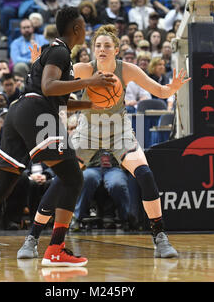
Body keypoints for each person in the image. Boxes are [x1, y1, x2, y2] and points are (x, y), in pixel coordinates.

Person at [0, 7, 115, 267]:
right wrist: (90, 82)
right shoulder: (59, 51)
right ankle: (56, 248)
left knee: (3, 185)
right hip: (35, 113)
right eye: (84, 27)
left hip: (18, 114)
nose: (87, 31)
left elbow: (58, 100)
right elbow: (48, 87)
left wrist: (91, 105)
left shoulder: (52, 53)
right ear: (77, 29)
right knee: (73, 176)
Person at [19, 24, 189, 260]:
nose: (101, 49)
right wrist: (38, 65)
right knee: (61, 182)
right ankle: (32, 238)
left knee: (145, 174)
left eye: (107, 45)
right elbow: (47, 85)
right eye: (97, 45)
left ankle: (160, 237)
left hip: (119, 130)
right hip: (87, 130)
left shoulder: (127, 70)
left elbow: (159, 91)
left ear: (116, 49)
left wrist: (173, 88)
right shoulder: (81, 69)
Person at [71, 150, 132, 231]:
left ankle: (125, 219)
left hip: (114, 167)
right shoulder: (88, 138)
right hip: (92, 166)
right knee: (86, 179)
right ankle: (77, 218)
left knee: (117, 184)